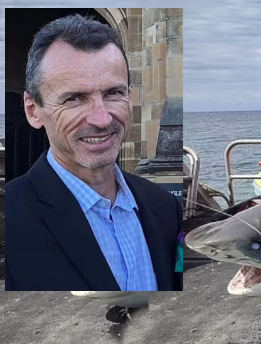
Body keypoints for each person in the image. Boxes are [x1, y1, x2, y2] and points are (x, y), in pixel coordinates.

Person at [4, 14, 182, 291]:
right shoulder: (12, 217)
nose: (101, 119)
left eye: (113, 93)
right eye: (74, 98)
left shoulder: (165, 207)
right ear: (33, 110)